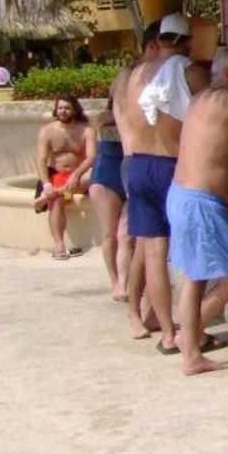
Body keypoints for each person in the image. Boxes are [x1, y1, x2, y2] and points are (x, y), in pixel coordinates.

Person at [120, 13, 208, 354]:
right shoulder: (190, 72)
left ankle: (168, 333)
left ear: (158, 40)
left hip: (139, 164)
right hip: (174, 165)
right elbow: (210, 116)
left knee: (154, 253)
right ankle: (193, 331)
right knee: (189, 252)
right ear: (187, 42)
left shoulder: (137, 76)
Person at [167, 49, 228, 376]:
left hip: (183, 195)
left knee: (194, 278)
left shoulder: (200, 99)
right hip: (201, 203)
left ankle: (191, 352)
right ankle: (187, 338)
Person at [109, 22, 161, 338]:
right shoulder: (138, 78)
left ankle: (150, 312)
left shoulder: (133, 77)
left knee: (151, 246)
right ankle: (136, 313)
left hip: (140, 162)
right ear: (154, 45)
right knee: (145, 245)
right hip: (140, 161)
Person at [34, 96, 95, 260]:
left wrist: (76, 174)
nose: (63, 111)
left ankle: (51, 195)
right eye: (60, 108)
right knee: (59, 199)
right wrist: (46, 184)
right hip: (60, 179)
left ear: (75, 110)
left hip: (80, 178)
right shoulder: (47, 131)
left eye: (67, 108)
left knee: (92, 177)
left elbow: (91, 158)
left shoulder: (87, 130)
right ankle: (60, 245)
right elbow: (41, 160)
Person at [88, 96, 133, 301]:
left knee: (126, 236)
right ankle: (115, 281)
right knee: (109, 234)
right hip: (106, 177)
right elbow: (99, 122)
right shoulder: (105, 116)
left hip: (130, 174)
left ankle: (124, 282)